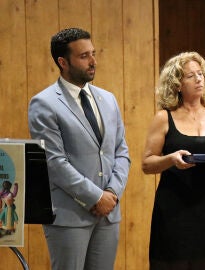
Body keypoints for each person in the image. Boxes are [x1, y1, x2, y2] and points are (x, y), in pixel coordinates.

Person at [28, 28, 130, 270]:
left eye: (93, 53)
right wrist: (96, 197)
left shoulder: (109, 99)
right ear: (63, 62)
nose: (93, 61)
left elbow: (121, 152)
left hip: (108, 214)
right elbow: (54, 163)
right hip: (69, 216)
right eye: (84, 56)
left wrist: (112, 194)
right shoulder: (44, 103)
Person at [142, 51, 205, 270]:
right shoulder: (164, 117)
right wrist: (171, 159)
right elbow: (147, 164)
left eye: (201, 74)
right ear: (177, 84)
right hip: (175, 208)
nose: (199, 79)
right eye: (190, 76)